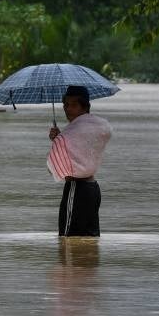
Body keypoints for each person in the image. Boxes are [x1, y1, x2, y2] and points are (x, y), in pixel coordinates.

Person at [47, 85, 112, 236]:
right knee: (90, 238)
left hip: (76, 189)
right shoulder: (96, 127)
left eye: (73, 105)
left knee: (67, 239)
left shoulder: (71, 134)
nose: (67, 109)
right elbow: (79, 150)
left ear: (85, 107)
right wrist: (60, 139)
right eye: (65, 105)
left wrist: (58, 141)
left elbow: (55, 168)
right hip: (93, 189)